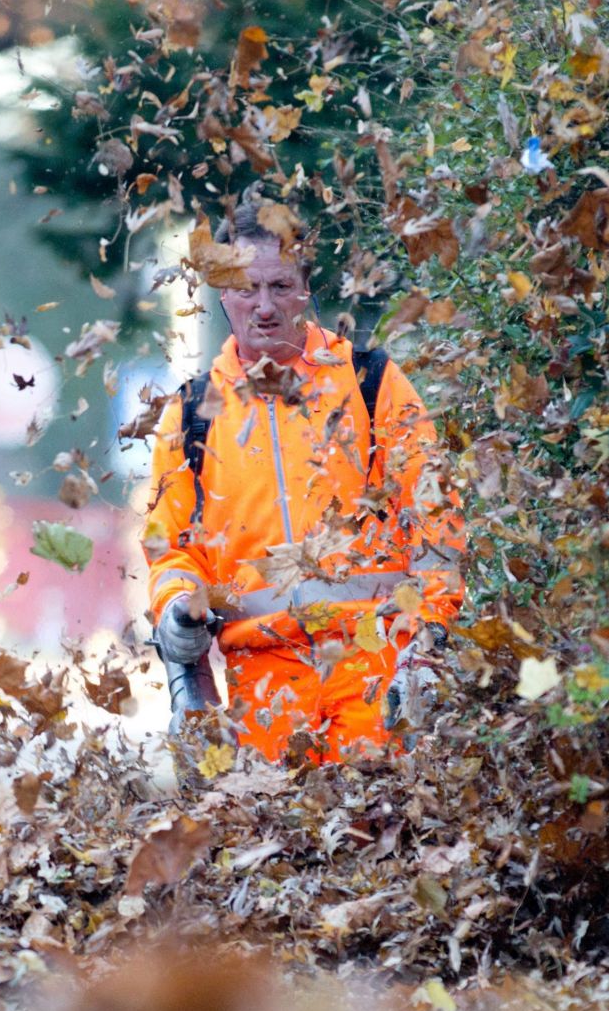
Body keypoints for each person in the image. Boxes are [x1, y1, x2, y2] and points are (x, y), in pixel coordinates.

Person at [144, 195, 464, 763]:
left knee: (378, 835)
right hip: (261, 690)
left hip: (375, 666)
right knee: (281, 847)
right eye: (247, 288)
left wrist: (427, 644)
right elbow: (171, 550)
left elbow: (435, 523)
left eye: (280, 286)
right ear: (223, 292)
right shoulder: (193, 413)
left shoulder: (371, 384)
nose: (264, 306)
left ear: (306, 288)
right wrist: (175, 611)